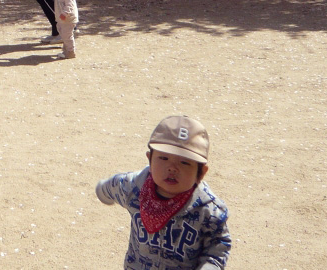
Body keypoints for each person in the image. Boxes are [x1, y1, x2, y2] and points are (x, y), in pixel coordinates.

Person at [95, 115, 230, 270]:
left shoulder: (209, 210)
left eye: (184, 162)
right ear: (150, 160)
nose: (172, 168)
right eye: (164, 158)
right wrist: (102, 191)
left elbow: (218, 246)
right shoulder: (134, 187)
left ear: (201, 173)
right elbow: (113, 185)